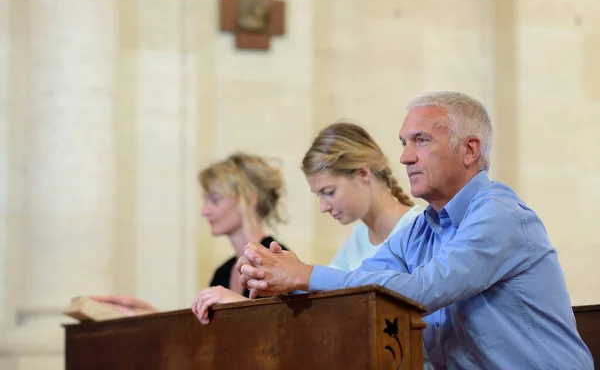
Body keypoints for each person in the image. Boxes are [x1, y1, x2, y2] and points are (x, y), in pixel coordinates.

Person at [236, 91, 594, 369]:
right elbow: (362, 291)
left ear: (470, 150)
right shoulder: (420, 228)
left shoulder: (499, 214)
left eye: (420, 140)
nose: (405, 157)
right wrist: (281, 286)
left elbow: (422, 291)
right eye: (403, 143)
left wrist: (304, 275)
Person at [191, 122, 423, 320]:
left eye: (329, 192)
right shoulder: (357, 239)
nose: (323, 206)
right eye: (318, 195)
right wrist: (285, 283)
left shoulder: (418, 228)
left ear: (363, 173)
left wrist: (295, 276)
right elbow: (322, 307)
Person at [91, 152, 288, 321]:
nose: (204, 211)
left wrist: (237, 304)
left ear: (248, 199)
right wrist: (149, 316)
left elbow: (286, 330)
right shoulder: (223, 272)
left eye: (215, 200)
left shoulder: (277, 258)